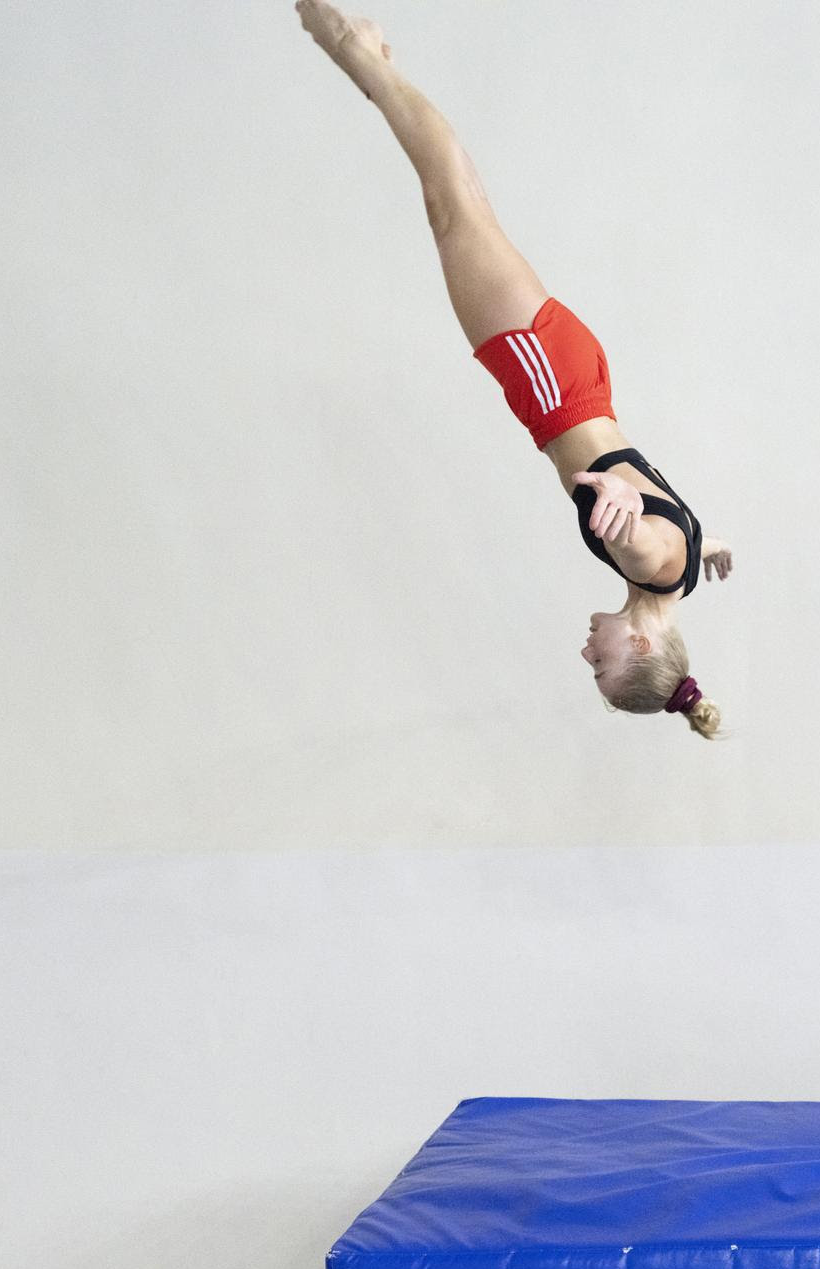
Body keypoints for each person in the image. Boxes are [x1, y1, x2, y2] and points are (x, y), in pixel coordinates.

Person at [295, 0, 733, 737]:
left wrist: (710, 542)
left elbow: (676, 541)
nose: (586, 653)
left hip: (579, 381)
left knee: (464, 207)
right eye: (600, 664)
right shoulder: (649, 564)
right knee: (451, 205)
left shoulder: (677, 581)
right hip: (552, 386)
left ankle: (376, 69)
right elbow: (642, 537)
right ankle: (355, 49)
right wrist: (617, 506)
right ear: (640, 647)